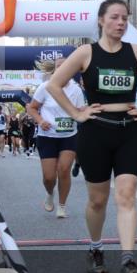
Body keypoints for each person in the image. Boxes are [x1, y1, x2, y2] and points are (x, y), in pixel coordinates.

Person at [47, 0, 137, 273]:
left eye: (125, 18)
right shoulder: (86, 53)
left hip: (129, 131)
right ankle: (96, 248)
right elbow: (54, 84)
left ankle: (128, 259)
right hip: (95, 133)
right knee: (97, 200)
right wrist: (76, 113)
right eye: (114, 17)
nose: (121, 22)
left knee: (126, 195)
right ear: (101, 20)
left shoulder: (135, 52)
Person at [27, 56, 84, 218]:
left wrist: (85, 111)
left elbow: (80, 111)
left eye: (66, 66)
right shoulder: (45, 87)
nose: (63, 69)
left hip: (69, 136)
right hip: (47, 136)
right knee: (49, 177)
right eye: (59, 66)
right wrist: (40, 121)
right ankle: (50, 193)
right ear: (54, 70)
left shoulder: (76, 90)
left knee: (64, 170)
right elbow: (31, 108)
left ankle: (62, 206)